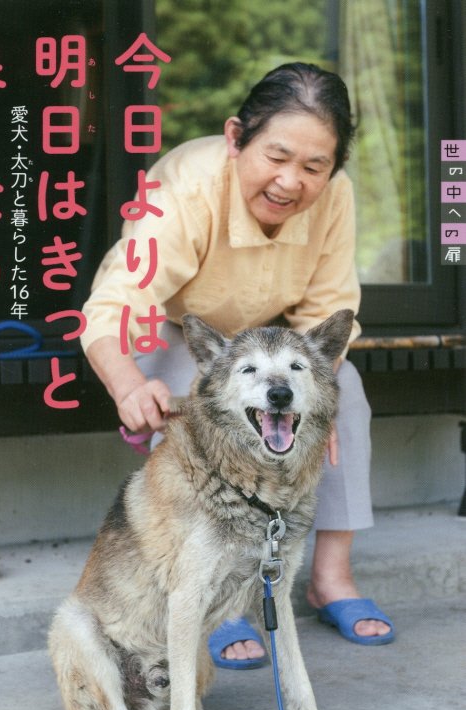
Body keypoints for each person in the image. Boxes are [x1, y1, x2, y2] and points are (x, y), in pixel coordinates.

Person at [81, 62, 395, 667]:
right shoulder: (186, 187)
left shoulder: (336, 199)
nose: (290, 182)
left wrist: (314, 395)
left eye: (313, 166)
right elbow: (119, 302)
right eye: (276, 156)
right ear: (235, 138)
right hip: (176, 331)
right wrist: (126, 383)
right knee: (198, 391)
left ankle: (331, 576)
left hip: (273, 348)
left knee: (344, 390)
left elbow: (330, 309)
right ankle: (211, 597)